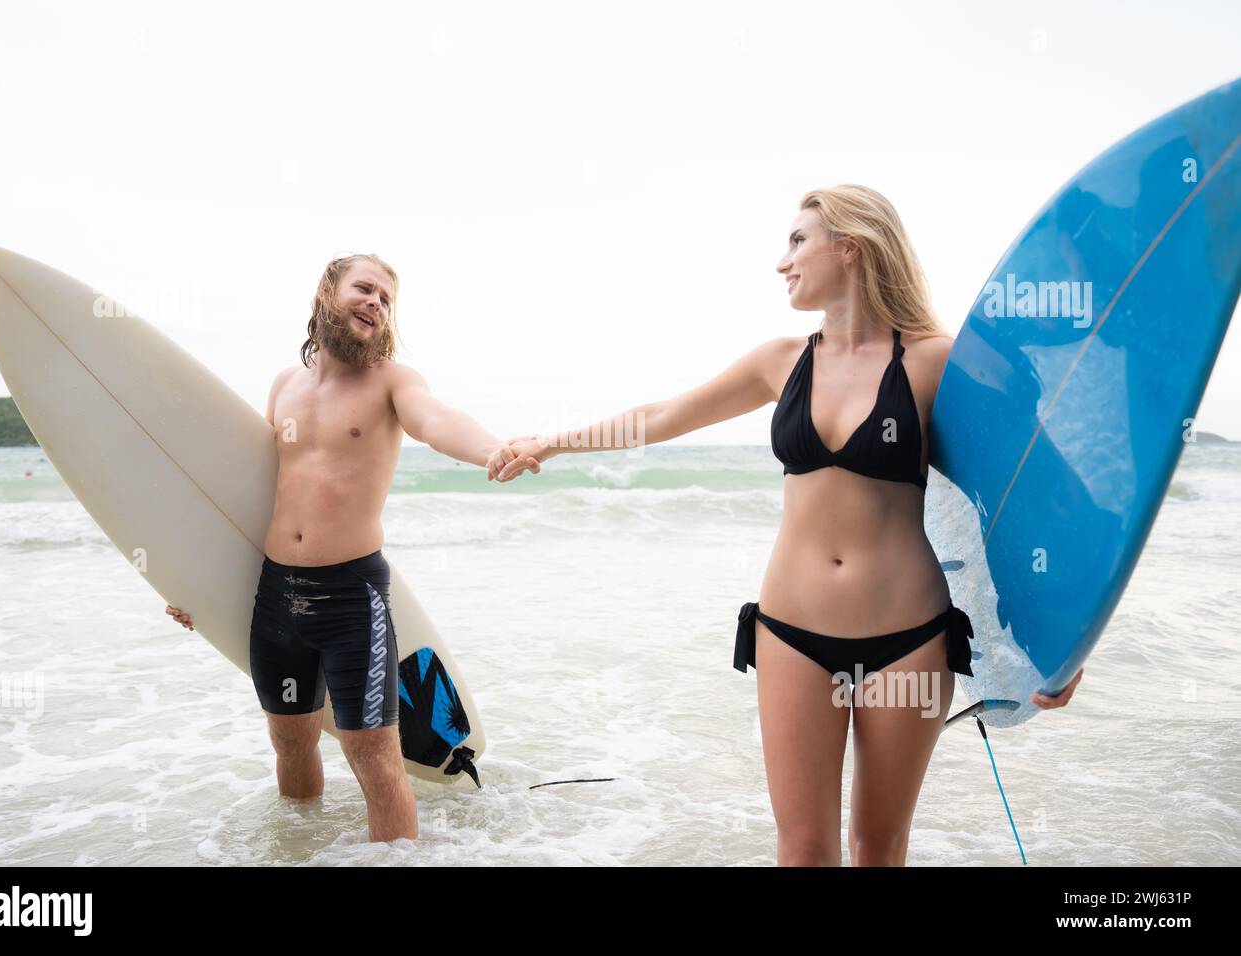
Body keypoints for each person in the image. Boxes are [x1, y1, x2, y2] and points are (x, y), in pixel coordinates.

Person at [496, 184, 1081, 865]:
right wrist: (554, 441)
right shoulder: (780, 361)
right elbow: (662, 417)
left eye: (798, 241)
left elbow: (1042, 494)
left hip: (908, 641)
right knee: (802, 849)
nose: (784, 261)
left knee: (879, 846)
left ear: (851, 247)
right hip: (792, 636)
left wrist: (1066, 641)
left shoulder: (934, 361)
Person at [165, 252, 528, 843]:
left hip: (351, 599)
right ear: (327, 291)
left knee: (374, 759)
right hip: (277, 594)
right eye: (365, 289)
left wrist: (490, 447)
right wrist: (190, 583)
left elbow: (436, 420)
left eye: (386, 300)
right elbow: (251, 497)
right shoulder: (284, 385)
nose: (376, 304)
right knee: (289, 742)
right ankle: (298, 850)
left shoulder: (393, 380)